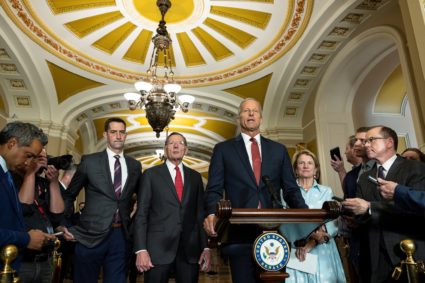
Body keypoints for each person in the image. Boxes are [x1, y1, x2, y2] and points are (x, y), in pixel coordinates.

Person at [203, 98, 308, 283]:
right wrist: (212, 212)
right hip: (239, 234)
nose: (251, 114)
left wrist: (307, 216)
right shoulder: (223, 150)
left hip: (274, 234)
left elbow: (291, 190)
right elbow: (214, 189)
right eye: (246, 110)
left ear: (261, 118)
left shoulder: (279, 150)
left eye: (255, 111)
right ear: (238, 118)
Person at [58, 117, 142, 283]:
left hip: (121, 237)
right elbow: (69, 195)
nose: (118, 136)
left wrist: (133, 223)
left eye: (122, 132)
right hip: (89, 235)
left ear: (125, 135)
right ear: (106, 135)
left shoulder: (134, 165)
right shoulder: (90, 161)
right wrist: (65, 224)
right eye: (113, 132)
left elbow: (143, 198)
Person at [342, 125, 425, 283]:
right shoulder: (365, 178)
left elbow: (418, 208)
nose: (366, 145)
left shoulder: (416, 168)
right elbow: (361, 217)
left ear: (389, 142)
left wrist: (370, 208)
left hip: (409, 253)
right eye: (365, 141)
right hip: (374, 258)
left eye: (371, 140)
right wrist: (355, 210)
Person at [134, 132, 210, 283]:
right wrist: (141, 249)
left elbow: (200, 214)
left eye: (180, 143)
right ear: (165, 148)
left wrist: (205, 247)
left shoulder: (195, 177)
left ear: (186, 150)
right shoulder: (150, 175)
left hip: (190, 249)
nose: (176, 146)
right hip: (157, 249)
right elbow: (141, 213)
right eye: (171, 143)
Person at [280, 149, 346, 282]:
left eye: (310, 163)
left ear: (316, 169)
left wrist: (313, 241)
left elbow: (333, 220)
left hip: (322, 248)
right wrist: (304, 241)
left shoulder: (326, 191)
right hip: (297, 248)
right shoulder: (285, 193)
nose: (305, 166)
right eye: (301, 163)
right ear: (295, 169)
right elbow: (285, 221)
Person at [0, 121, 55, 271]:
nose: (29, 163)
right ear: (12, 143)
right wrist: (26, 238)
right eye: (29, 155)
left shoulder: (7, 174)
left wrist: (34, 234)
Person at [14, 146, 65, 283]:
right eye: (38, 157)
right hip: (22, 259)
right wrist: (31, 173)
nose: (42, 162)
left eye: (45, 158)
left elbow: (57, 215)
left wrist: (53, 183)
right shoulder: (13, 179)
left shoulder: (44, 183)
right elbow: (24, 208)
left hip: (45, 259)